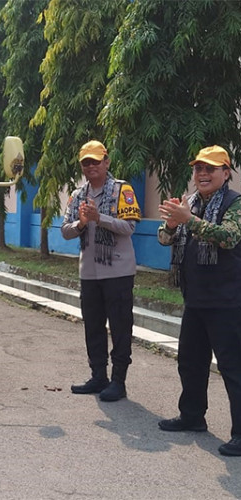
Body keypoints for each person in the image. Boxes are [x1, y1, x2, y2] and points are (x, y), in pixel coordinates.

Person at [157, 145, 241, 457]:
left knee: (233, 368)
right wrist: (172, 223)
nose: (203, 174)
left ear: (225, 173)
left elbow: (229, 237)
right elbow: (164, 239)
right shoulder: (188, 203)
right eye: (198, 169)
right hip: (195, 298)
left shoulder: (235, 203)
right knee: (190, 362)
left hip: (227, 301)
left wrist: (188, 220)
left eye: (210, 169)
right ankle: (192, 416)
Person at [61, 140, 141, 402]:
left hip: (118, 271)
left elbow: (129, 227)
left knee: (120, 327)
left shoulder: (122, 190)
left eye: (96, 161)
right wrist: (82, 223)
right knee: (93, 326)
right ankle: (98, 376)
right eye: (86, 162)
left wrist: (99, 219)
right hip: (90, 273)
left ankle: (119, 381)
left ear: (107, 162)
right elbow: (65, 231)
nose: (91, 166)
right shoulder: (77, 195)